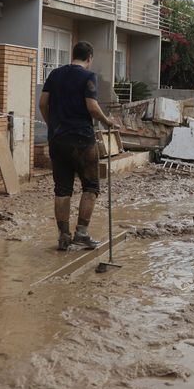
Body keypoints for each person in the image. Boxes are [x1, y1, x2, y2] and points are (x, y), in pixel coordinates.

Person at [40, 40, 115, 251]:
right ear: (89, 58)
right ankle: (81, 234)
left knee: (62, 189)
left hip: (57, 140)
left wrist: (53, 126)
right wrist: (107, 121)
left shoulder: (55, 74)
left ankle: (63, 237)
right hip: (82, 140)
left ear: (73, 55)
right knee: (91, 187)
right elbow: (92, 106)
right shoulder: (88, 76)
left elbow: (42, 104)